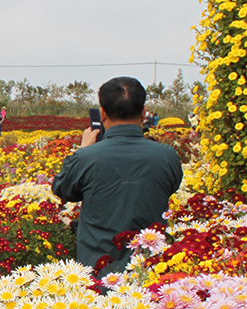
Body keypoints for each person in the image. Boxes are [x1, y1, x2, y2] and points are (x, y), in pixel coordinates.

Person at [52, 77, 182, 278]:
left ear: (102, 113)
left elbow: (63, 190)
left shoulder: (86, 157)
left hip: (99, 274)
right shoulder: (166, 156)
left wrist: (82, 149)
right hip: (150, 274)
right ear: (144, 112)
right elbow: (169, 187)